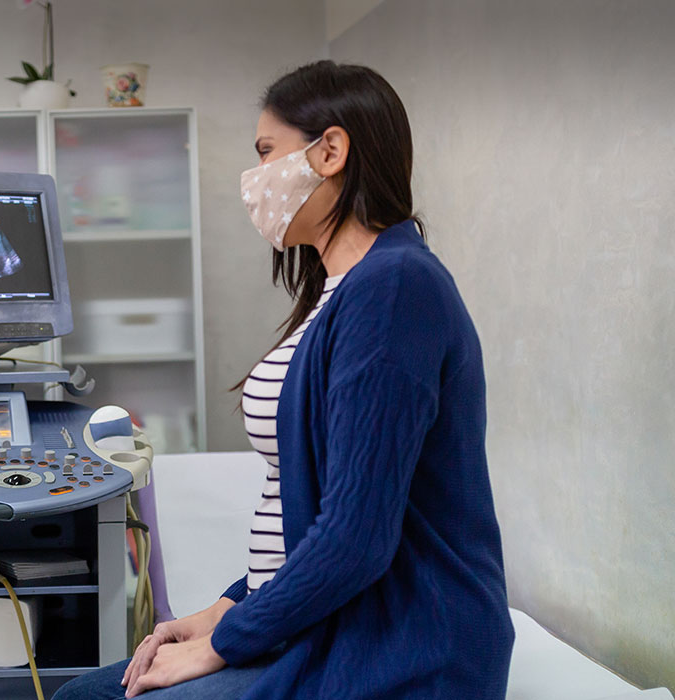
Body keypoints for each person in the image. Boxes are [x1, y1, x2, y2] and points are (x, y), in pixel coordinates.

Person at [55, 61, 514, 699]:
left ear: (329, 151)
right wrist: (227, 607)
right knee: (89, 692)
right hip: (323, 621)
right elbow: (309, 516)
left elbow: (355, 539)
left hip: (402, 646)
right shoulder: (344, 292)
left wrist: (224, 642)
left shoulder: (395, 289)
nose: (253, 181)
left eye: (266, 152)